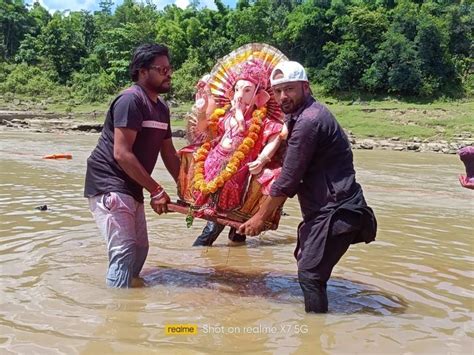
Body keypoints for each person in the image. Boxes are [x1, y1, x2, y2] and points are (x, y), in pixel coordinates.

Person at [239, 61, 377, 313]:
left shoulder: (309, 121)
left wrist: (260, 217)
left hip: (337, 210)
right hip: (330, 208)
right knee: (310, 267)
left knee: (310, 275)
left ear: (306, 87)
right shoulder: (301, 117)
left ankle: (315, 334)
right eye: (277, 91)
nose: (283, 97)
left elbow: (289, 179)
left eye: (289, 89)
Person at [84, 43, 180, 288]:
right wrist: (157, 190)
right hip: (110, 183)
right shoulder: (130, 100)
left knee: (140, 250)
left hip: (132, 185)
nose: (169, 74)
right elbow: (122, 154)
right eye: (162, 69)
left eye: (170, 69)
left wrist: (186, 186)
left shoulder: (161, 108)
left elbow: (168, 152)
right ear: (142, 71)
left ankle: (129, 301)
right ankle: (118, 318)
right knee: (125, 252)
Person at [186, 57, 285, 246]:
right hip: (213, 165)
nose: (240, 95)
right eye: (237, 90)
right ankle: (236, 241)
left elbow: (276, 136)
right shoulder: (226, 115)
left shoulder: (260, 121)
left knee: (219, 216)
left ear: (259, 97)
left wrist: (264, 158)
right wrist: (201, 111)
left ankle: (204, 244)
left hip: (237, 171)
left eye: (247, 90)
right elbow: (204, 132)